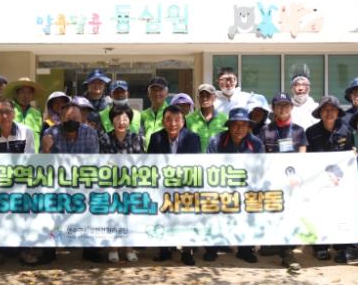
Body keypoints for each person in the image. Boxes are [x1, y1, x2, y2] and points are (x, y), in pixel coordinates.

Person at [0, 99, 37, 267]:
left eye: (7, 112)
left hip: (21, 184)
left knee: (26, 210)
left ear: (14, 114)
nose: (4, 116)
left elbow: (31, 159)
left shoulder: (27, 132)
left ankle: (25, 250)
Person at [41, 102, 101, 263]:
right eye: (68, 119)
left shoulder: (90, 133)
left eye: (75, 118)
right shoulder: (50, 132)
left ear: (81, 119)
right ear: (61, 119)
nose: (72, 121)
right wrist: (45, 149)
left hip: (83, 182)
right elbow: (44, 165)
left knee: (94, 201)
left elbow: (94, 161)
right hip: (57, 184)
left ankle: (90, 250)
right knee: (48, 204)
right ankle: (49, 251)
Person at [206, 107, 264, 264]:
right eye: (235, 124)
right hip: (220, 186)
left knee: (252, 207)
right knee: (211, 206)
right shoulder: (216, 140)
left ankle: (245, 250)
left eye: (243, 124)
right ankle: (212, 248)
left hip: (247, 188)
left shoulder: (256, 143)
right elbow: (209, 166)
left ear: (249, 126)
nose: (239, 128)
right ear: (229, 126)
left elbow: (261, 169)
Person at [258, 92, 308, 271]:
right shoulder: (265, 130)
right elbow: (261, 156)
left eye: (286, 105)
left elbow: (303, 157)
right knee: (274, 214)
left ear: (292, 107)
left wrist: (298, 177)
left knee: (290, 216)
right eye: (278, 105)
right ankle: (276, 245)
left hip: (292, 182)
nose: (282, 108)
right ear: (273, 109)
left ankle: (288, 253)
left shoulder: (299, 130)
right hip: (272, 181)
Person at [148, 105, 201, 266]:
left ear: (183, 122)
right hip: (163, 186)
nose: (173, 124)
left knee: (187, 218)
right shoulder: (156, 137)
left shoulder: (193, 138)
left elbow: (195, 164)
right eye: (168, 120)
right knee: (163, 216)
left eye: (177, 120)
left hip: (185, 185)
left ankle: (187, 252)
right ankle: (164, 250)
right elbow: (150, 163)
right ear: (163, 122)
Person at [305, 95, 355, 262]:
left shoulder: (347, 131)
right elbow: (305, 158)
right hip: (317, 181)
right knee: (318, 212)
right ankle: (320, 246)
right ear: (320, 112)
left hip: (338, 181)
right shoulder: (311, 132)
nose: (329, 113)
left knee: (339, 211)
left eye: (333, 109)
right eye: (325, 110)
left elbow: (350, 155)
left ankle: (340, 243)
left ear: (338, 112)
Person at [98, 104, 145, 263]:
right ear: (112, 120)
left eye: (125, 118)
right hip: (110, 184)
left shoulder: (136, 138)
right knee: (113, 215)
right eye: (117, 118)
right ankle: (113, 248)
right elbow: (102, 162)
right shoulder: (104, 139)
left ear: (130, 121)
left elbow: (140, 161)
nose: (121, 122)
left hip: (130, 184)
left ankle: (129, 248)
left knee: (129, 216)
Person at [4, 77, 44, 152]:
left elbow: (40, 136)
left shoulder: (37, 113)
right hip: (13, 155)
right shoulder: (8, 111)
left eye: (29, 93)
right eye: (22, 92)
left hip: (33, 156)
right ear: (16, 94)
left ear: (32, 95)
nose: (26, 96)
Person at [185, 84, 227, 153]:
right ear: (198, 98)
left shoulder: (224, 119)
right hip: (195, 159)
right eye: (202, 96)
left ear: (215, 97)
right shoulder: (188, 119)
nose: (204, 98)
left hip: (217, 159)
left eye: (208, 95)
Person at [141, 76, 170, 151]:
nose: (157, 93)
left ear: (167, 93)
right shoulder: (143, 114)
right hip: (147, 155)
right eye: (154, 90)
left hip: (166, 155)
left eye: (160, 90)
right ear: (148, 93)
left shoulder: (172, 113)